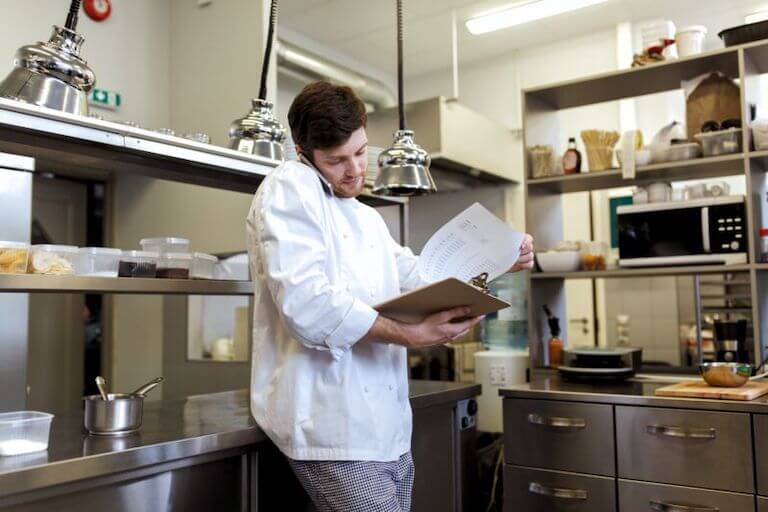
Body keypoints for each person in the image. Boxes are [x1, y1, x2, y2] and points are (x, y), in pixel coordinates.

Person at [246, 81, 534, 512]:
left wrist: (498, 259)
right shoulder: (290, 186)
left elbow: (417, 275)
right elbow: (308, 306)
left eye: (361, 152)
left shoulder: (366, 217)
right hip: (331, 427)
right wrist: (412, 336)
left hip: (386, 427)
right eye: (336, 161)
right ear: (303, 152)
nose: (354, 171)